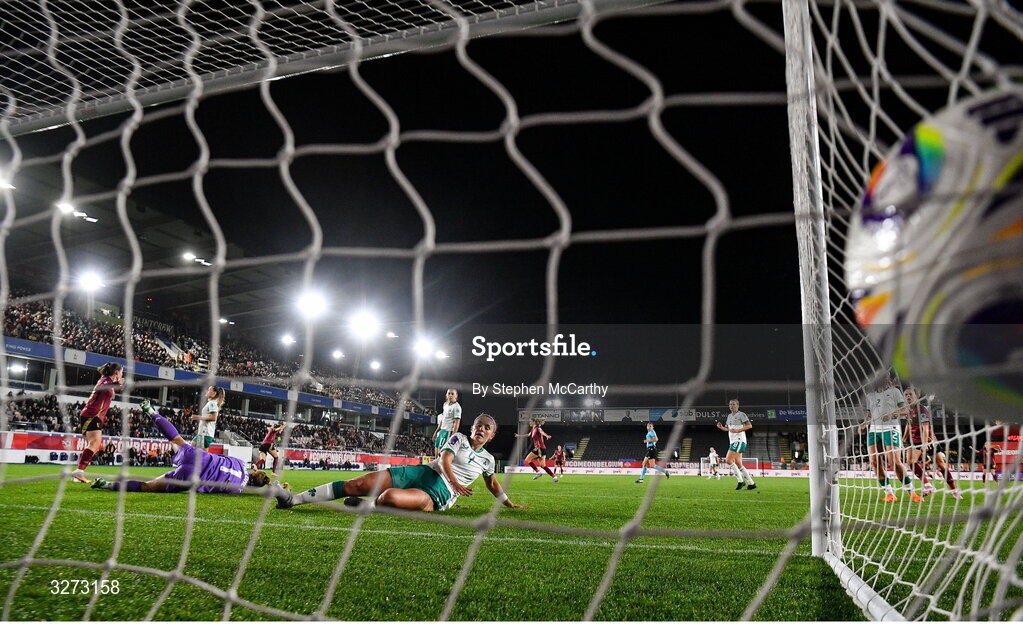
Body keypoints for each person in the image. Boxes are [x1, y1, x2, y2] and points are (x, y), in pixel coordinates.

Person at [273, 414, 526, 512]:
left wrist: (509, 503)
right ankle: (293, 499)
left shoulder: (489, 460)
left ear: (492, 435)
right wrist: (458, 481)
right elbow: (445, 459)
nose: (482, 429)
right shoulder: (459, 437)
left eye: (488, 428)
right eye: (479, 425)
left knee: (390, 497)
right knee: (357, 483)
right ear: (473, 428)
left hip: (440, 492)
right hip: (422, 472)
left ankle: (368, 505)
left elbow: (492, 483)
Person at [91, 400, 270, 493]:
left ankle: (151, 411)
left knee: (176, 439)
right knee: (148, 486)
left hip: (201, 458)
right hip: (193, 477)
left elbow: (225, 460)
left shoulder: (239, 462)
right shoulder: (237, 490)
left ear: (254, 472)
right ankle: (105, 484)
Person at [859, 375, 919, 502]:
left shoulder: (894, 392)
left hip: (890, 428)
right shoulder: (870, 396)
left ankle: (911, 492)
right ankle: (889, 493)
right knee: (875, 462)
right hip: (874, 431)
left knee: (894, 462)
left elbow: (905, 410)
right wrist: (864, 423)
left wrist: (894, 414)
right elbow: (869, 415)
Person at [71, 362, 124, 483]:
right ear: (116, 372)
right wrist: (116, 383)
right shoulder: (105, 381)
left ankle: (78, 473)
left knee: (94, 445)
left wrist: (117, 384)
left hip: (94, 415)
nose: (122, 374)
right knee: (95, 443)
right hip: (92, 415)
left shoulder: (106, 381)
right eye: (121, 372)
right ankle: (79, 472)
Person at [716, 399, 756, 490]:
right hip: (733, 441)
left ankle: (740, 481)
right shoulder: (729, 416)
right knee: (738, 463)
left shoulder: (741, 414)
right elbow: (728, 429)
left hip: (739, 440)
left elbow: (749, 426)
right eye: (730, 404)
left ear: (738, 405)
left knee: (728, 460)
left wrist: (738, 430)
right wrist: (721, 427)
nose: (731, 406)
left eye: (734, 404)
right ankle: (751, 483)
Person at [902, 387, 935, 496]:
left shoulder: (921, 409)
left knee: (911, 462)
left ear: (917, 397)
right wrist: (904, 438)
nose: (908, 397)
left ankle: (928, 485)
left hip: (922, 440)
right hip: (913, 440)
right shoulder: (909, 410)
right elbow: (908, 425)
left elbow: (926, 428)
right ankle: (927, 485)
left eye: (910, 394)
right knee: (911, 463)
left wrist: (925, 444)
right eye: (906, 394)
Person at [192, 386, 224, 450]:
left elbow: (213, 418)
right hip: (203, 433)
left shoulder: (212, 403)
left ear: (214, 393)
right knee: (196, 452)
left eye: (209, 390)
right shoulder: (211, 402)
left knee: (200, 455)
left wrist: (199, 417)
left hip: (205, 433)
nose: (207, 391)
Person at [432, 388, 462, 458]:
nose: (450, 395)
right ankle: (436, 467)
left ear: (456, 396)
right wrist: (436, 432)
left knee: (443, 454)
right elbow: (442, 420)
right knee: (436, 452)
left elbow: (457, 424)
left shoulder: (457, 407)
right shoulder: (445, 404)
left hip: (448, 432)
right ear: (446, 395)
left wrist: (452, 437)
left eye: (452, 394)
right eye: (449, 393)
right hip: (442, 431)